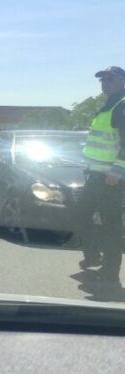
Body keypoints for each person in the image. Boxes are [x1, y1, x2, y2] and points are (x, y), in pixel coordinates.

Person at [75, 66, 125, 286]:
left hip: (111, 179)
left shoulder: (122, 105)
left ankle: (110, 272)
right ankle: (93, 254)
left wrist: (117, 170)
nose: (105, 82)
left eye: (110, 79)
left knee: (111, 226)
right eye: (102, 79)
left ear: (122, 81)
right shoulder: (108, 105)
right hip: (96, 175)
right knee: (80, 215)